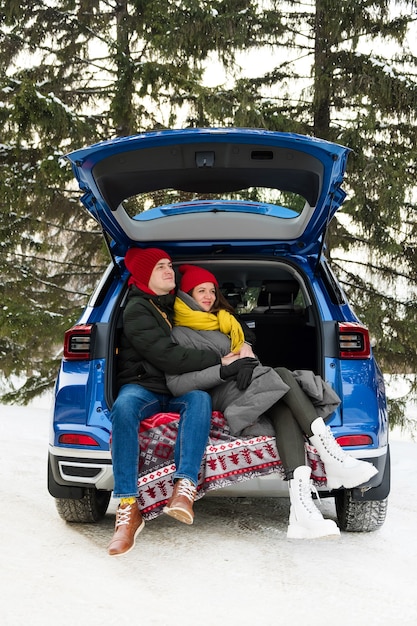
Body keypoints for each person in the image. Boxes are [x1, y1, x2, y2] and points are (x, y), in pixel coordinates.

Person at [166, 264, 379, 539]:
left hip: (248, 382)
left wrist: (247, 354)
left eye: (211, 290)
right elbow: (176, 384)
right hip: (221, 392)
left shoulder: (225, 320)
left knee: (283, 404)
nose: (207, 296)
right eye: (200, 291)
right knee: (281, 376)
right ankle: (329, 457)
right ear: (186, 295)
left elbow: (247, 360)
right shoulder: (177, 333)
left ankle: (301, 511)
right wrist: (224, 368)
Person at [108, 249, 239, 557]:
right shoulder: (138, 309)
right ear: (144, 276)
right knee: (124, 408)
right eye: (160, 267)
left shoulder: (173, 305)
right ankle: (128, 507)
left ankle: (184, 488)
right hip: (146, 387)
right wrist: (220, 360)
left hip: (176, 387)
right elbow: (167, 355)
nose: (169, 270)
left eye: (169, 265)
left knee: (200, 398)